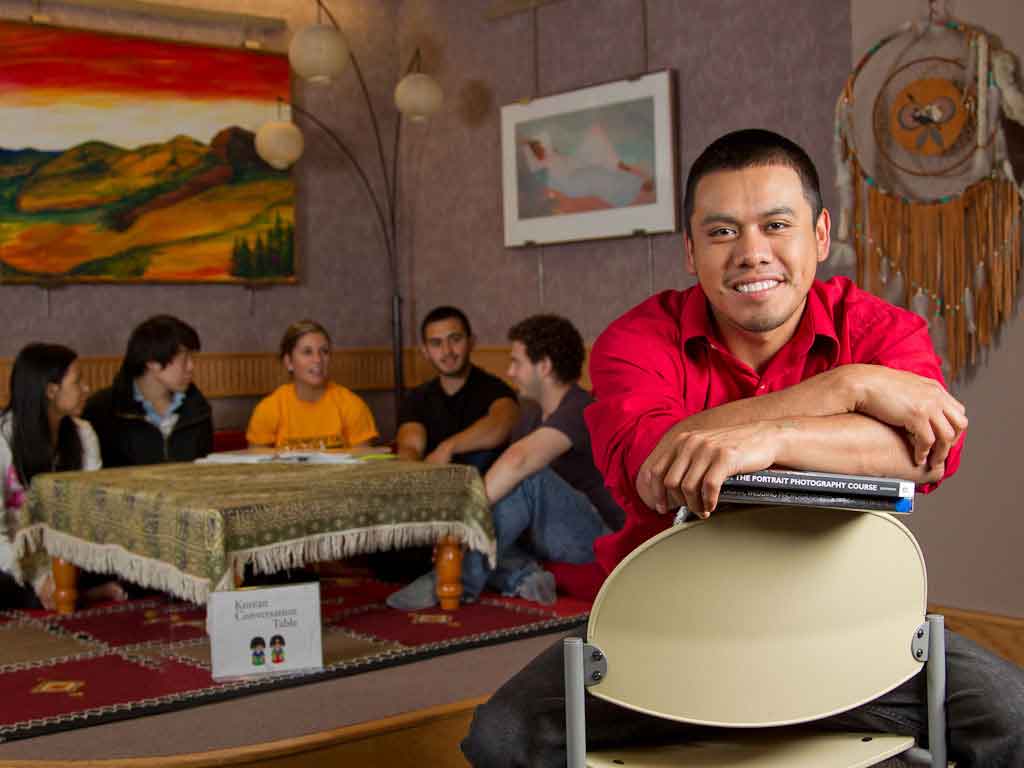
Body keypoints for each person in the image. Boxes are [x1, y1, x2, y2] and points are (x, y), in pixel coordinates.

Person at [461, 130, 1024, 767]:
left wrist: (771, 435)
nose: (752, 254)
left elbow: (927, 452)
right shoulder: (634, 339)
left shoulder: (880, 330)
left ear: (820, 234)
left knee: (1015, 721)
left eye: (776, 225)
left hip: (847, 630)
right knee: (500, 739)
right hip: (667, 632)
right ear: (691, 250)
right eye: (723, 232)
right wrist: (846, 388)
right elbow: (656, 469)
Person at [387, 314, 623, 611]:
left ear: (545, 366)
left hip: (595, 535)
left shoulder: (580, 409)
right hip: (548, 533)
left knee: (528, 477)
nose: (510, 372)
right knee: (499, 521)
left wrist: (464, 521)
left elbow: (519, 461)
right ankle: (524, 577)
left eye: (516, 362)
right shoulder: (533, 416)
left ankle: (456, 581)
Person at [1, 344, 126, 610]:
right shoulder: (3, 440)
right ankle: (67, 593)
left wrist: (64, 569)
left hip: (67, 554)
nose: (86, 389)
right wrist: (37, 578)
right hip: (14, 556)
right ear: (50, 390)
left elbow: (95, 510)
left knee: (131, 564)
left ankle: (64, 590)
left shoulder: (84, 433)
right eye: (77, 381)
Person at [395, 306, 519, 473]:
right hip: (434, 488)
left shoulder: (495, 389)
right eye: (436, 343)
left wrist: (448, 447)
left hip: (489, 491)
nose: (447, 351)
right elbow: (410, 447)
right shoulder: (416, 399)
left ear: (471, 342)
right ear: (425, 352)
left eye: (455, 339)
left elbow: (501, 426)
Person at [83, 315, 212, 467]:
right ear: (152, 362)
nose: (191, 367)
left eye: (192, 358)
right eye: (184, 359)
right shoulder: (102, 410)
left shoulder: (198, 409)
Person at [246, 320, 378, 450]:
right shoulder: (268, 409)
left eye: (324, 351)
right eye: (307, 352)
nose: (318, 360)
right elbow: (258, 466)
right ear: (289, 362)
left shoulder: (352, 405)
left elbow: (363, 468)